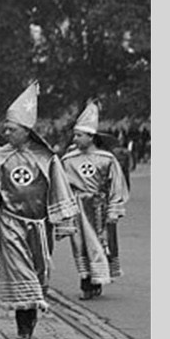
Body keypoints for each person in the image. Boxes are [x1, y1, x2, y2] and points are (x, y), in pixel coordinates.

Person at [0, 82, 77, 339]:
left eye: (12, 129)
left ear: (26, 131)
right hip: (11, 221)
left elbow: (59, 189)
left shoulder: (47, 158)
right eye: (6, 128)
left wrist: (64, 221)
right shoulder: (0, 158)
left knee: (38, 271)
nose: (6, 132)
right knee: (18, 270)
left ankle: (31, 315)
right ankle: (22, 323)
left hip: (40, 223)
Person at [61, 101, 130, 297]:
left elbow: (117, 185)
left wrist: (114, 210)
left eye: (79, 135)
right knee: (79, 244)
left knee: (100, 243)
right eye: (74, 135)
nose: (75, 139)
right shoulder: (68, 160)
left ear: (91, 137)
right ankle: (85, 279)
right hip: (77, 208)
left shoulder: (106, 159)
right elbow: (63, 186)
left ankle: (97, 279)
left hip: (99, 207)